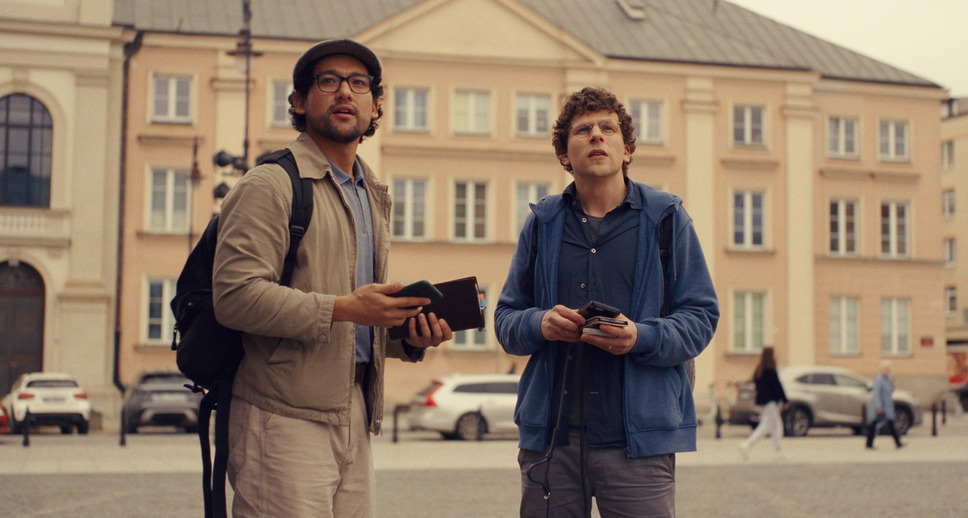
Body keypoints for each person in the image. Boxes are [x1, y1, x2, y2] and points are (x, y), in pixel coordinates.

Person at [212, 39, 452, 517]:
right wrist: (345, 308)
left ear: (375, 105)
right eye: (328, 81)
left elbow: (355, 326)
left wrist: (407, 335)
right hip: (282, 415)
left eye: (359, 83)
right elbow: (235, 297)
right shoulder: (270, 184)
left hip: (355, 410)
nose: (345, 91)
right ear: (299, 102)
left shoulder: (370, 192)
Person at [494, 87, 719, 517]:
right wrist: (540, 324)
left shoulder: (667, 218)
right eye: (583, 130)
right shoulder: (542, 223)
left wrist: (640, 336)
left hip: (638, 444)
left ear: (627, 149)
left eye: (608, 128)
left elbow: (701, 316)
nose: (596, 135)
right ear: (565, 155)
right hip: (552, 442)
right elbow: (505, 319)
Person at [739, 347, 788, 460]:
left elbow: (757, 385)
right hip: (770, 403)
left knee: (776, 426)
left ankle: (778, 450)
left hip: (764, 402)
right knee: (766, 427)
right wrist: (785, 400)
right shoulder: (770, 370)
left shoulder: (759, 369)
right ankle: (747, 444)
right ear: (771, 356)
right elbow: (777, 386)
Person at [866, 360, 904, 449]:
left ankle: (898, 443)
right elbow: (876, 394)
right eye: (886, 368)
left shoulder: (889, 379)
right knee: (874, 425)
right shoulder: (879, 379)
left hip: (887, 406)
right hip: (880, 406)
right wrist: (878, 407)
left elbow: (891, 390)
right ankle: (869, 443)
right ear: (882, 369)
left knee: (890, 424)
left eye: (889, 368)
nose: (888, 370)